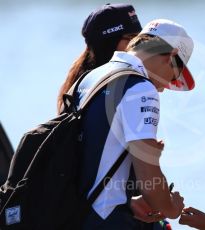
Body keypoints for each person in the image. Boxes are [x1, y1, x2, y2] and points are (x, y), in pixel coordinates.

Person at [75, 19, 195, 229]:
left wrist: (128, 202)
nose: (164, 88)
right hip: (110, 222)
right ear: (172, 55)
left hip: (78, 216)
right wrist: (171, 208)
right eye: (173, 77)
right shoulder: (140, 88)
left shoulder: (90, 78)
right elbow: (149, 180)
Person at [57, 3, 142, 112]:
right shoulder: (105, 91)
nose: (139, 45)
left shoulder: (130, 81)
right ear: (107, 45)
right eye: (131, 38)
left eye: (140, 38)